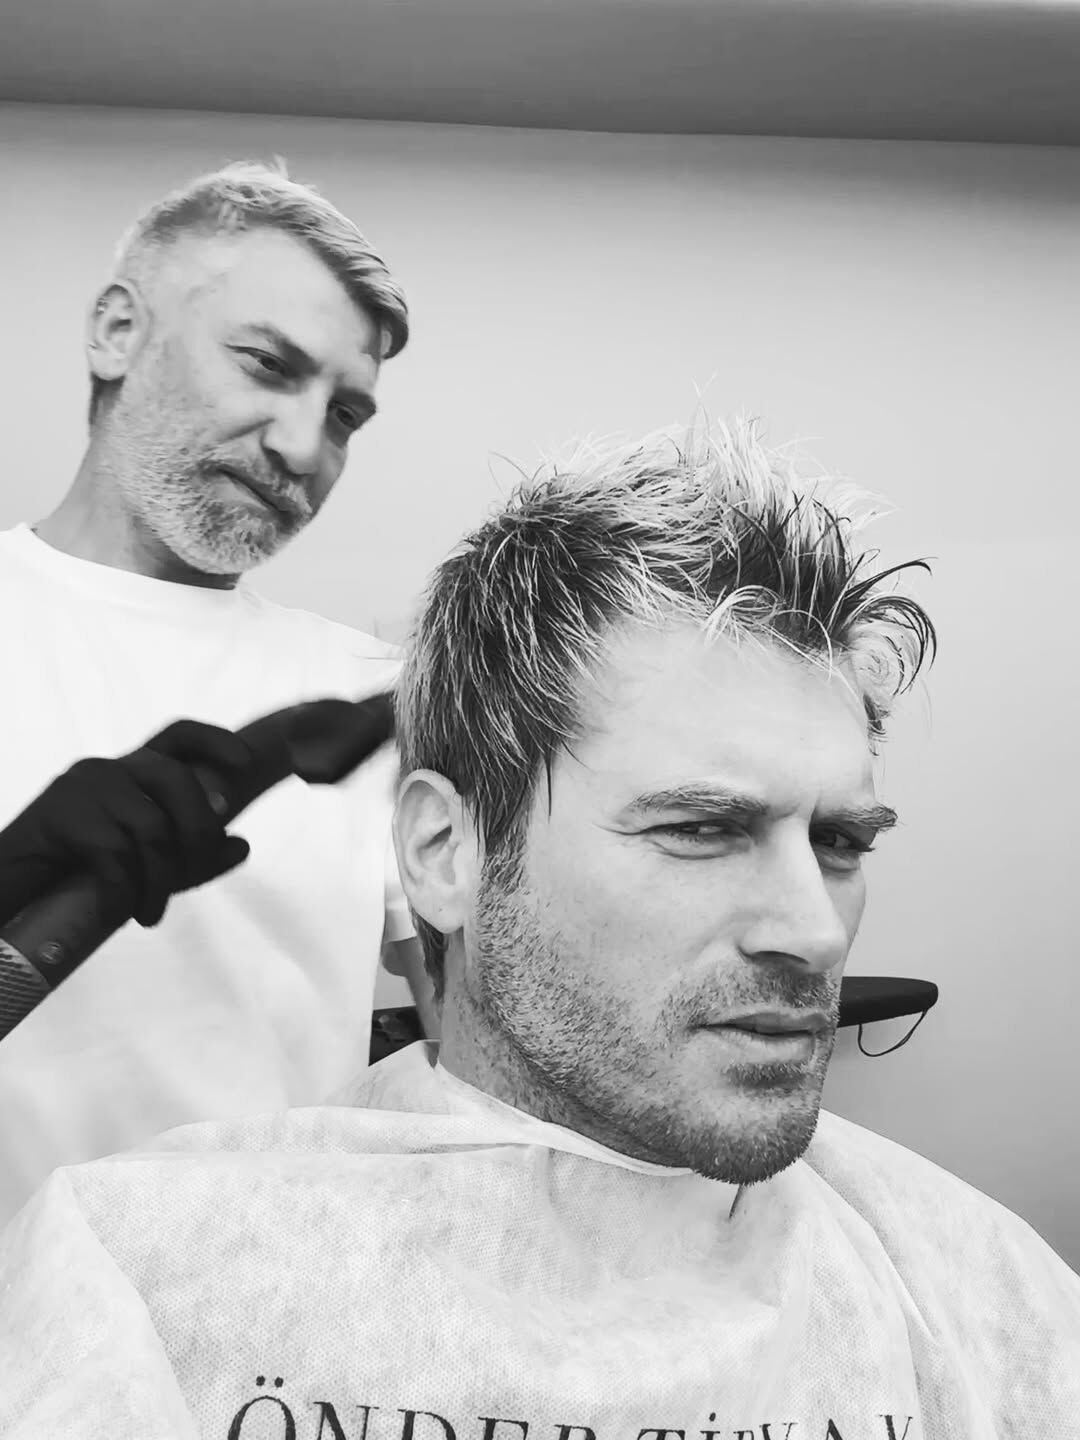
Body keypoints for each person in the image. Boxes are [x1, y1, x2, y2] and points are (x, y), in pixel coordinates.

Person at [0, 417, 1077, 1436]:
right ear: (444, 853)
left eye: (840, 842)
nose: (817, 932)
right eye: (702, 828)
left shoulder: (968, 1284)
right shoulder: (139, 1276)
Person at [0, 160, 436, 1227]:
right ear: (118, 332)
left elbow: (490, 1056)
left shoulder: (382, 700)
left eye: (346, 415)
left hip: (282, 1319)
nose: (303, 447)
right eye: (268, 366)